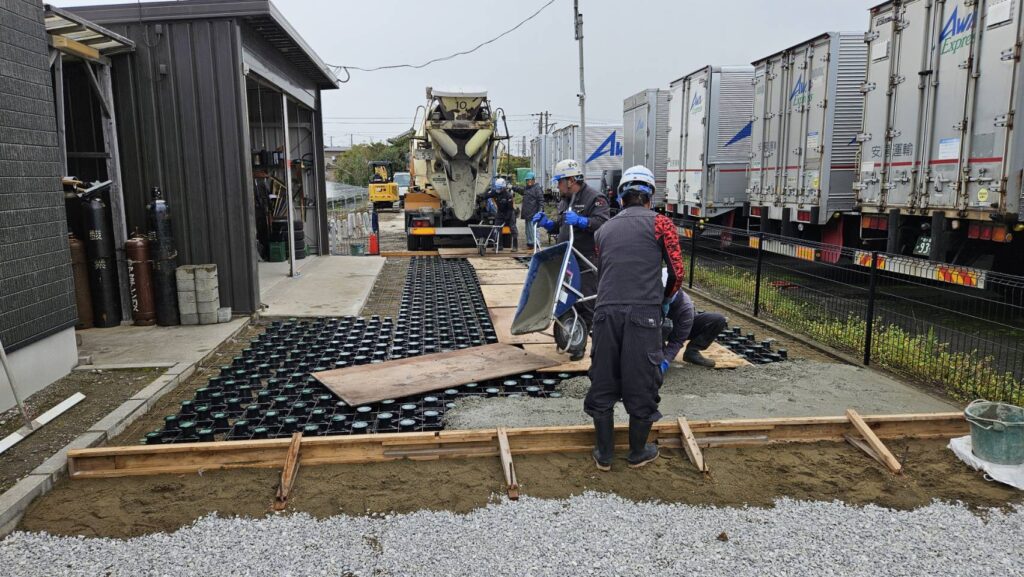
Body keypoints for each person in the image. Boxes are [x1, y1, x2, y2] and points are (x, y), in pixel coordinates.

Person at [585, 165, 685, 471]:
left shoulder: (604, 230)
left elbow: (606, 271)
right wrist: (665, 299)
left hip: (605, 312)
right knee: (641, 380)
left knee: (603, 379)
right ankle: (637, 452)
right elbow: (677, 273)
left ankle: (604, 454)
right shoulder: (662, 224)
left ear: (620, 196)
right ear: (649, 196)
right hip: (644, 314)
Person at [531, 159, 610, 358]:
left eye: (559, 181)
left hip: (586, 259)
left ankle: (580, 345)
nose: (557, 186)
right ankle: (569, 335)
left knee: (585, 302)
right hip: (568, 259)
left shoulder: (595, 198)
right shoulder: (565, 200)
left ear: (570, 180)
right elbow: (561, 226)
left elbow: (603, 223)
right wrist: (548, 224)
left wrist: (583, 221)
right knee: (567, 300)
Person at [662, 282, 728, 368]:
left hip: (678, 328)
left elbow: (677, 341)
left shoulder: (685, 306)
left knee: (718, 320)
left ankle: (692, 352)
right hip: (656, 330)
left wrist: (665, 361)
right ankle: (659, 349)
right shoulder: (648, 296)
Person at [486, 178, 518, 251]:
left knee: (513, 229)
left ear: (503, 188)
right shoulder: (495, 193)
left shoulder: (508, 195)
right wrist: (482, 197)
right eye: (497, 188)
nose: (498, 190)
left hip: (509, 212)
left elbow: (510, 209)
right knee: (497, 228)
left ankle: (515, 247)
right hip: (500, 212)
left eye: (499, 188)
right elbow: (488, 195)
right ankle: (499, 246)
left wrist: (507, 217)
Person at [520, 171, 545, 249]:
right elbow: (519, 189)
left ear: (534, 180)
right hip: (527, 214)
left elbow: (541, 200)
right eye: (527, 180)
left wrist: (540, 211)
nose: (528, 181)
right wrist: (512, 187)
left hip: (533, 214)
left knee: (533, 230)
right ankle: (530, 244)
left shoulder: (537, 189)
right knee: (528, 231)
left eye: (530, 180)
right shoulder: (526, 188)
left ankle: (536, 244)